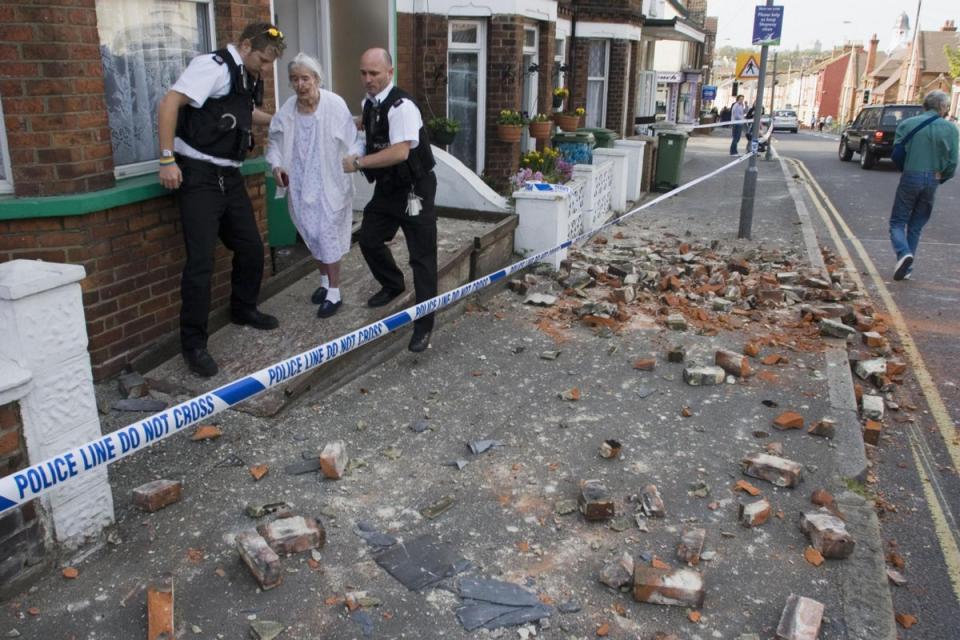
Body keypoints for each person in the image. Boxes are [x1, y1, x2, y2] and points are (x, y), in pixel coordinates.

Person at [158, 22, 286, 378]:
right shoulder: (212, 67)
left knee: (249, 247)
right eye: (262, 59)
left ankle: (243, 308)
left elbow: (245, 114)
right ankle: (194, 344)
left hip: (228, 176)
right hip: (198, 174)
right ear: (245, 46)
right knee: (200, 262)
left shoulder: (245, 74)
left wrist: (279, 121)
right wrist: (167, 158)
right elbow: (170, 102)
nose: (264, 67)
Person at [342, 48, 437, 353]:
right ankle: (393, 284)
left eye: (374, 73)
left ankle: (423, 327)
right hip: (388, 188)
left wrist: (359, 164)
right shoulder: (369, 105)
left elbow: (400, 152)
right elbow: (368, 135)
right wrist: (357, 148)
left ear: (390, 73)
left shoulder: (402, 106)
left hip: (415, 189)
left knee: (422, 258)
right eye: (363, 73)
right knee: (369, 239)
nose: (368, 79)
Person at [266, 53, 360, 318]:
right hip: (299, 183)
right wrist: (276, 167)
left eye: (305, 78)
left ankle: (335, 291)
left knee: (327, 232)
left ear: (317, 79)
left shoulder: (334, 104)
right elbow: (273, 144)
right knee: (311, 233)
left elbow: (354, 140)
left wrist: (353, 159)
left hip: (330, 181)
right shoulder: (287, 110)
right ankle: (323, 282)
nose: (300, 84)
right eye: (294, 79)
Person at [888, 90, 958, 281]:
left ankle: (903, 254)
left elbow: (896, 154)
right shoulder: (951, 129)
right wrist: (940, 177)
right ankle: (907, 269)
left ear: (924, 105)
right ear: (943, 107)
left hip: (911, 174)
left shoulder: (907, 124)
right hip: (933, 178)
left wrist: (907, 169)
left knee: (897, 221)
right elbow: (952, 162)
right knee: (916, 225)